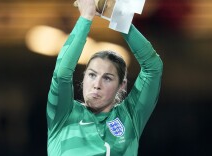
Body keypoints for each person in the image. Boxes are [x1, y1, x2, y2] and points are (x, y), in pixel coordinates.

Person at [46, 0, 163, 155]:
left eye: (107, 78)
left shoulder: (129, 116)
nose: (97, 84)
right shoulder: (63, 114)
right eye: (92, 75)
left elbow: (153, 67)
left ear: (122, 85)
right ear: (84, 78)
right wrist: (86, 18)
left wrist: (120, 18)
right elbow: (61, 75)